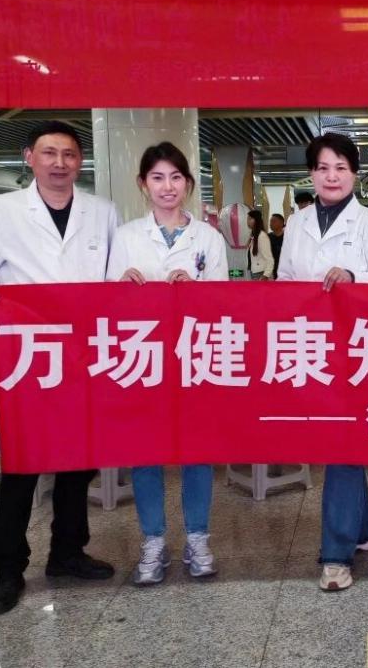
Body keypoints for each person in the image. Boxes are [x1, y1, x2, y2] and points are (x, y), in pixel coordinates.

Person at [0, 120, 119, 615]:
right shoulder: (3, 211)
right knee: (22, 465)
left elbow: (114, 276)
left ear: (80, 161)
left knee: (78, 461)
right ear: (30, 158)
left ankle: (67, 552)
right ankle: (7, 568)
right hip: (28, 357)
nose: (59, 163)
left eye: (69, 154)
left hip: (84, 357)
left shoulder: (102, 212)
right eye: (49, 153)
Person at [277, 132, 368, 591]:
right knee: (337, 439)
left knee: (341, 440)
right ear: (311, 174)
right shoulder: (296, 223)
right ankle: (362, 530)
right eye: (323, 168)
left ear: (354, 175)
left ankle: (335, 554)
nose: (332, 176)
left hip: (356, 348)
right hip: (309, 346)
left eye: (341, 168)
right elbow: (284, 280)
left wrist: (352, 275)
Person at [106, 141, 228, 585]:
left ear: (188, 184)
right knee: (145, 452)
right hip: (142, 360)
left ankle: (198, 537)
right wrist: (121, 286)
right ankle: (153, 540)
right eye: (157, 178)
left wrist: (196, 290)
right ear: (143, 184)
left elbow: (223, 305)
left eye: (176, 177)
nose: (167, 186)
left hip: (195, 358)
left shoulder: (209, 239)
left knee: (197, 451)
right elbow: (106, 306)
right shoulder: (126, 237)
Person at [246, 209, 274, 280]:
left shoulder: (262, 236)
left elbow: (269, 259)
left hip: (261, 273)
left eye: (250, 219)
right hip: (254, 271)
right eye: (247, 219)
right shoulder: (253, 235)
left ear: (256, 220)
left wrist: (266, 275)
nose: (247, 221)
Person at [269, 213, 285, 279]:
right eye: (270, 221)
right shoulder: (267, 237)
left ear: (281, 223)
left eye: (274, 221)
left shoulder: (287, 237)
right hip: (271, 271)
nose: (271, 223)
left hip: (284, 270)